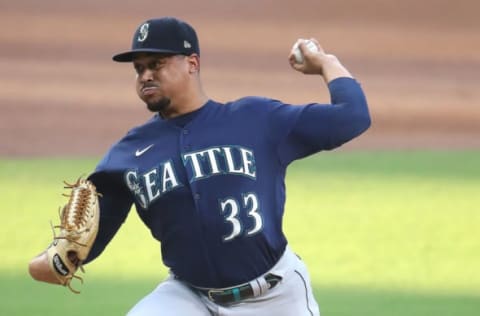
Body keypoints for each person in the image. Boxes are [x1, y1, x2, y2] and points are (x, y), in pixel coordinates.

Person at [29, 16, 371, 315]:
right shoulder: (128, 153)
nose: (146, 75)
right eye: (139, 68)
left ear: (192, 63)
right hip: (188, 297)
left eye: (157, 63)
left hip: (276, 296)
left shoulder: (255, 120)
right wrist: (52, 262)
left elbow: (352, 117)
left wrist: (327, 63)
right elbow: (84, 241)